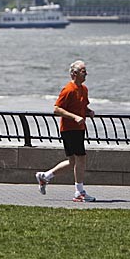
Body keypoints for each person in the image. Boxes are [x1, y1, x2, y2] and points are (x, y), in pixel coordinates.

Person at [35, 60, 96, 202]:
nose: (86, 73)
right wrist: (74, 117)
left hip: (79, 128)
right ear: (74, 73)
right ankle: (79, 193)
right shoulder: (68, 89)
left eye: (85, 70)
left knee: (73, 161)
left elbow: (81, 106)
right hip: (69, 129)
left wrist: (88, 112)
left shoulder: (84, 89)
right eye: (83, 71)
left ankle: (45, 176)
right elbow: (57, 109)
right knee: (81, 159)